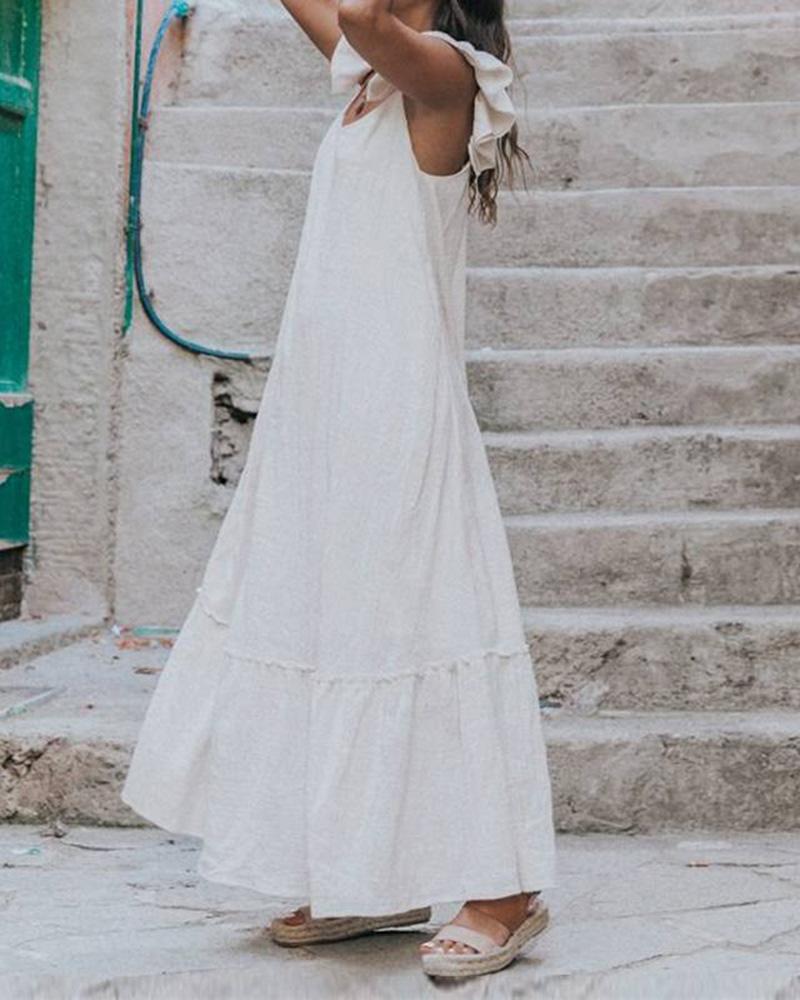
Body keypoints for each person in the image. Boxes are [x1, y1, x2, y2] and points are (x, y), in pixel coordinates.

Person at [121, 0, 557, 980]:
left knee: (431, 614)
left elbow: (359, 16)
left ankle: (506, 889)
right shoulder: (367, 80)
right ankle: (372, 876)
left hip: (400, 402)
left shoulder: (443, 74)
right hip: (326, 403)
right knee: (335, 621)